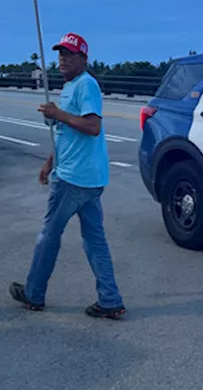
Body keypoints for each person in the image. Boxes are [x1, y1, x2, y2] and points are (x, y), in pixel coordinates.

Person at [10, 32, 126, 319]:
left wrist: (57, 114)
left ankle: (34, 294)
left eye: (70, 54)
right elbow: (66, 134)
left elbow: (92, 127)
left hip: (74, 178)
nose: (62, 58)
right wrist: (49, 161)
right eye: (60, 53)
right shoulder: (71, 86)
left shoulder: (86, 84)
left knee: (48, 235)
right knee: (94, 239)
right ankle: (110, 300)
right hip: (89, 177)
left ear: (83, 58)